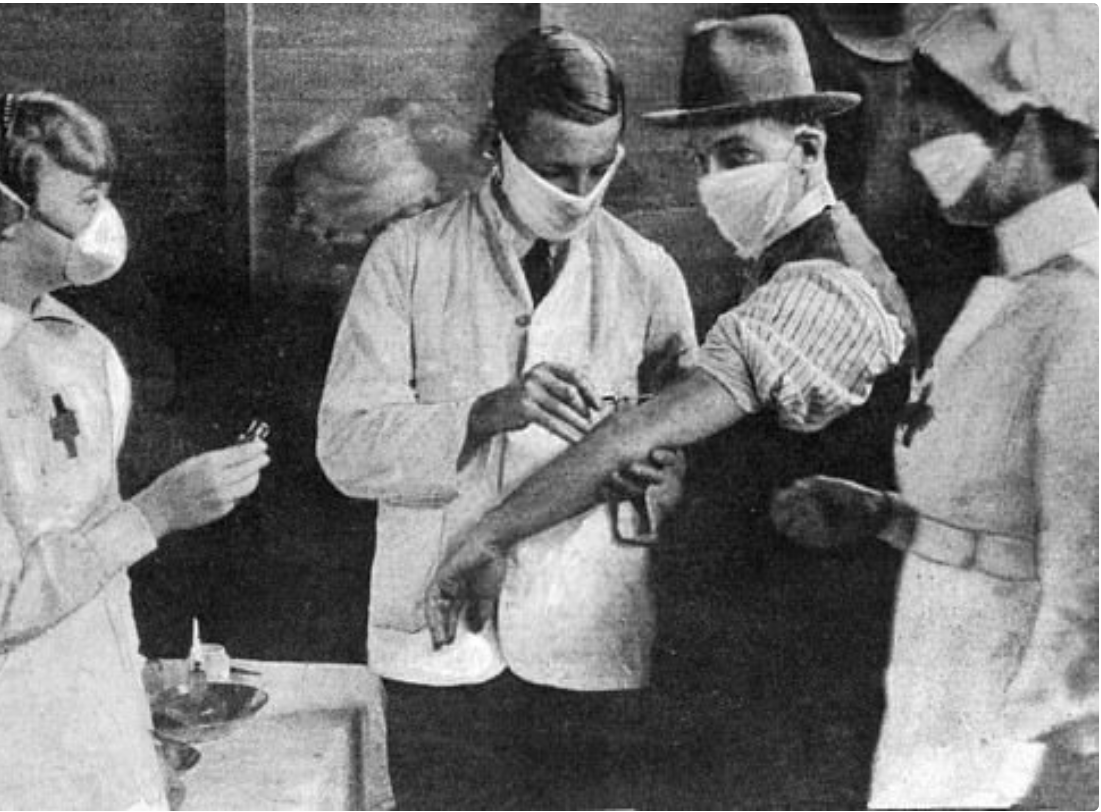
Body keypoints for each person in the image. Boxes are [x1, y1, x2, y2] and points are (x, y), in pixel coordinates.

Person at [425, 16, 916, 805]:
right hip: (755, 661)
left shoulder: (823, 286)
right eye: (702, 161)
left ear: (810, 150)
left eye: (738, 155)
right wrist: (691, 460)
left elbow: (633, 433)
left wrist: (488, 535)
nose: (714, 181)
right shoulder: (784, 266)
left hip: (795, 678)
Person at [0, 91, 270, 810]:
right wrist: (157, 514)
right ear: (10, 214)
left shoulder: (79, 347)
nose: (103, 223)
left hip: (89, 703)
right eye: (87, 199)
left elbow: (90, 557)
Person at [317, 28, 695, 809]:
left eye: (600, 167)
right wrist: (484, 413)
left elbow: (686, 441)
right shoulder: (408, 258)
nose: (580, 190)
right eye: (556, 169)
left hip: (587, 618)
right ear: (497, 143)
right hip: (440, 628)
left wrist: (665, 471)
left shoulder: (648, 272)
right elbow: (345, 448)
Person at [771, 5, 1098, 808]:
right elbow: (1004, 511)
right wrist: (886, 515)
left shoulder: (1081, 308)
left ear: (1026, 132)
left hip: (1016, 734)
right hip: (945, 668)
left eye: (935, 118)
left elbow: (1092, 566)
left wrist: (1070, 753)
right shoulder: (1017, 288)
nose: (918, 146)